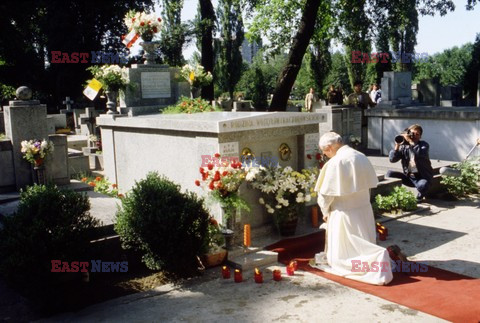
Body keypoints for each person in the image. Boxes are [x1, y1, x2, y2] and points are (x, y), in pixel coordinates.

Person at [310, 132, 394, 285]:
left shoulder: (336, 162)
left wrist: (325, 212)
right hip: (363, 208)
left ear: (329, 148)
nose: (325, 155)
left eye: (324, 152)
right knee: (362, 241)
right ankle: (374, 259)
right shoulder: (360, 156)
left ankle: (375, 259)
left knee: (343, 254)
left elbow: (325, 194)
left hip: (344, 212)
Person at [386, 124, 433, 202]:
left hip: (421, 178)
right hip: (409, 177)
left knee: (423, 185)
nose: (413, 136)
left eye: (417, 134)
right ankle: (391, 195)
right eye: (412, 134)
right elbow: (392, 159)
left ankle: (420, 196)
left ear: (420, 137)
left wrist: (410, 143)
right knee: (390, 174)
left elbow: (420, 154)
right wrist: (397, 145)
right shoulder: (404, 147)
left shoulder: (424, 145)